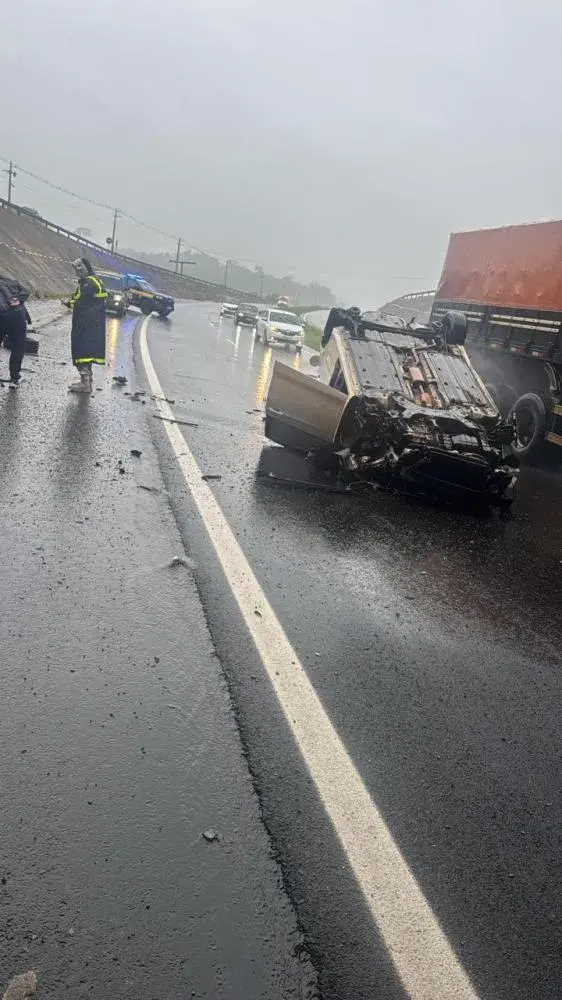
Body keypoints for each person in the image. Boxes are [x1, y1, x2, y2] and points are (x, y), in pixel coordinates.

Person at [66, 258, 107, 393]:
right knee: (86, 351)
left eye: (79, 269)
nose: (77, 272)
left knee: (82, 350)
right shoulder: (91, 281)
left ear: (84, 268)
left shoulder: (90, 282)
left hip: (86, 323)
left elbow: (83, 301)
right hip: (90, 323)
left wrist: (71, 304)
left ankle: (85, 383)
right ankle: (87, 380)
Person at [0, 275, 30, 387]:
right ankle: (14, 378)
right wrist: (18, 300)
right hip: (17, 316)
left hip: (2, 317)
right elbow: (26, 291)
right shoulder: (9, 280)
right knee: (18, 346)